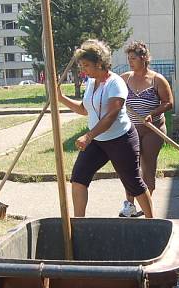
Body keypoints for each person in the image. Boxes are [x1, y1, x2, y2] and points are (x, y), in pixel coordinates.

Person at [57, 39, 153, 218]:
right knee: (78, 178)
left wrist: (88, 136)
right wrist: (61, 98)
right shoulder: (92, 82)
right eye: (81, 65)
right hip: (98, 141)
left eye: (86, 65)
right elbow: (85, 109)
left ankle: (152, 222)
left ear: (99, 63)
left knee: (133, 183)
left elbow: (111, 116)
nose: (82, 69)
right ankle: (79, 223)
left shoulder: (115, 83)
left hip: (121, 139)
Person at [118, 41, 173, 217]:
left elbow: (169, 103)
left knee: (147, 166)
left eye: (133, 58)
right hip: (130, 129)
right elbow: (114, 97)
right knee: (129, 167)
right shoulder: (124, 78)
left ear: (144, 58)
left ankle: (146, 203)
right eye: (129, 58)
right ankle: (129, 205)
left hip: (152, 129)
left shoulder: (157, 79)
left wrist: (153, 113)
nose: (130, 62)